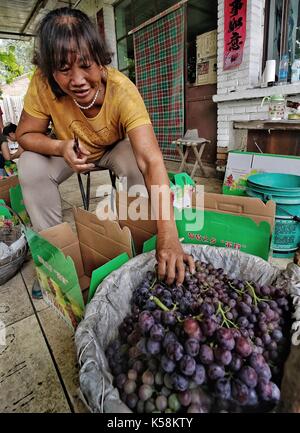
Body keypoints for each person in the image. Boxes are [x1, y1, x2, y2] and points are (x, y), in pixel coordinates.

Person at [16, 7, 195, 286]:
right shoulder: (42, 85)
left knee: (137, 163)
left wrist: (169, 234)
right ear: (50, 71)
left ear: (101, 61)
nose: (77, 80)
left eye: (85, 65)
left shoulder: (122, 91)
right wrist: (61, 146)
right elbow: (25, 135)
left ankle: (140, 247)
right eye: (63, 69)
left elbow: (152, 160)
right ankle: (56, 260)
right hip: (70, 148)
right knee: (28, 165)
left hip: (113, 148)